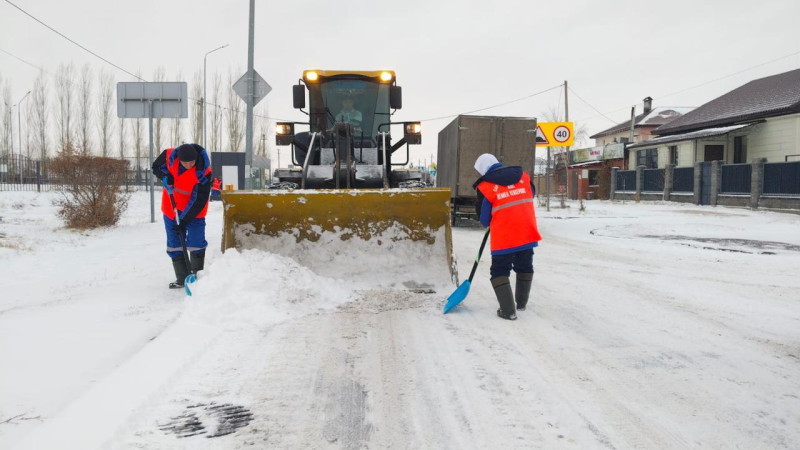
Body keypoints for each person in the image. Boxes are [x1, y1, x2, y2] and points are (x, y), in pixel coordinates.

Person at [472, 153, 542, 320]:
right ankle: (522, 303)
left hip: (504, 236)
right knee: (524, 265)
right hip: (527, 232)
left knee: (499, 271)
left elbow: (484, 219)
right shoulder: (524, 177)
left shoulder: (486, 186)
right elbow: (530, 194)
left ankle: (508, 311)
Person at [151, 143, 212, 289]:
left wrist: (184, 220)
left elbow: (199, 200)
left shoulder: (204, 172)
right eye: (185, 162)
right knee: (174, 244)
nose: (189, 165)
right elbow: (156, 167)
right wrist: (165, 176)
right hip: (171, 208)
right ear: (179, 159)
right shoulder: (170, 156)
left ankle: (197, 276)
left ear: (196, 158)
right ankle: (182, 277)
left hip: (195, 212)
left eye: (192, 162)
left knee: (196, 242)